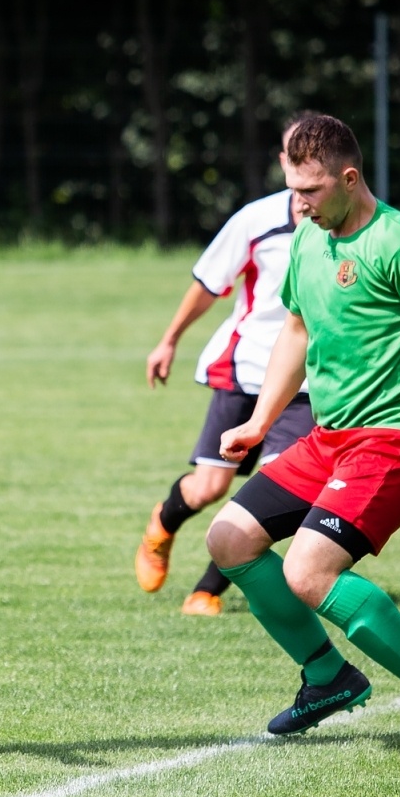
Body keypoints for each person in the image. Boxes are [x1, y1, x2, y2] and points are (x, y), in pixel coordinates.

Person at [202, 114, 400, 756]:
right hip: (330, 437)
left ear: (350, 179)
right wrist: (259, 422)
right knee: (229, 539)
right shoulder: (308, 238)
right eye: (292, 189)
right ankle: (328, 676)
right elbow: (296, 331)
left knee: (309, 569)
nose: (298, 204)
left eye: (311, 190)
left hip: (398, 437)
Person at [136, 115, 316, 615]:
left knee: (279, 491)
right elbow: (209, 283)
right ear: (283, 162)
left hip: (305, 383)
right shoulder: (256, 221)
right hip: (245, 369)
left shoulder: (348, 227)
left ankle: (207, 589)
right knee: (210, 487)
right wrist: (168, 341)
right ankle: (163, 524)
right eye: (295, 157)